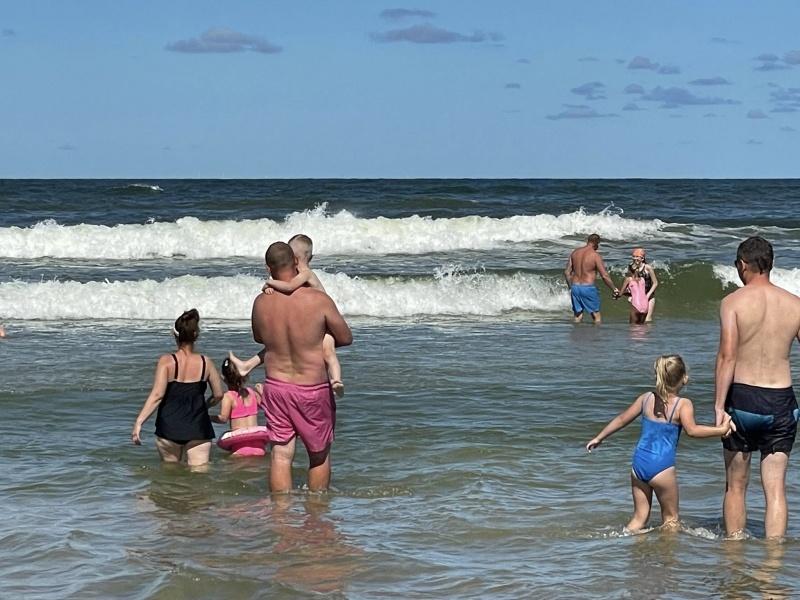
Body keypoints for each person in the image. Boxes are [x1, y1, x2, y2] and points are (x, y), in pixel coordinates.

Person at [587, 354, 734, 532]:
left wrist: (599, 437)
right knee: (671, 520)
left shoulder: (646, 398)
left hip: (639, 464)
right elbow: (693, 431)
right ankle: (667, 551)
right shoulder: (683, 404)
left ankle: (627, 544)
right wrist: (721, 429)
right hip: (662, 467)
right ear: (684, 378)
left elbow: (621, 419)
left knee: (639, 518)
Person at [715, 236, 800, 539]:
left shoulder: (732, 302)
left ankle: (734, 555)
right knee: (775, 489)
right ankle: (773, 560)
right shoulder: (795, 304)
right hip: (782, 402)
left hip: (743, 401)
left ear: (742, 265)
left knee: (735, 486)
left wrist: (718, 406)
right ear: (772, 263)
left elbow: (727, 356)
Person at [252, 241, 353, 492]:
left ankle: (281, 512)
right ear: (296, 262)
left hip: (276, 386)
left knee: (280, 454)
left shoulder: (260, 302)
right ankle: (316, 510)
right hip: (311, 388)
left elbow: (259, 337)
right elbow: (345, 337)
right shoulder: (318, 300)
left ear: (267, 268)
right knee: (318, 454)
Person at [232, 234, 345, 397]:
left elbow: (290, 286)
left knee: (328, 352)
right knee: (313, 350)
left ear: (295, 259)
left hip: (324, 325)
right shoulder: (301, 275)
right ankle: (247, 365)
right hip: (317, 324)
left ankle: (336, 379)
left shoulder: (305, 274)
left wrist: (270, 283)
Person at [132, 309, 224, 466]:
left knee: (170, 474)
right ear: (196, 335)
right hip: (198, 427)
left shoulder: (167, 361)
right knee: (200, 477)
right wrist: (204, 406)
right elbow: (218, 394)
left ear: (175, 336)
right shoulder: (205, 362)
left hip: (169, 427)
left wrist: (139, 422)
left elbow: (157, 395)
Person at [212, 357, 268, 456]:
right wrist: (263, 394)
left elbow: (223, 419)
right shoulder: (252, 393)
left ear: (223, 378)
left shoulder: (228, 397)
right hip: (259, 448)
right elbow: (269, 409)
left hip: (239, 449)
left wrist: (206, 417)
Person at [564, 233, 619, 324]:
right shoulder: (595, 256)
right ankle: (596, 332)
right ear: (597, 243)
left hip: (575, 287)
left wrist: (570, 287)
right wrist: (614, 288)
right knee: (596, 315)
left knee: (577, 315)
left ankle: (576, 331)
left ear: (587, 241)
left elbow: (567, 272)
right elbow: (604, 275)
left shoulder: (575, 252)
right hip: (588, 288)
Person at [629, 248, 658, 322]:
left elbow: (655, 283)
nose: (635, 258)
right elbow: (631, 282)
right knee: (637, 319)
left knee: (647, 320)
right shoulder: (632, 267)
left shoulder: (647, 267)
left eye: (637, 256)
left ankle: (648, 330)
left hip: (649, 296)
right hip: (638, 297)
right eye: (633, 256)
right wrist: (631, 295)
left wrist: (647, 295)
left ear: (642, 258)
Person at [619, 258, 650, 324]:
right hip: (645, 304)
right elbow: (638, 292)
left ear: (629, 270)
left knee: (633, 327)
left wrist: (617, 294)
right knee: (642, 326)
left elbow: (620, 294)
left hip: (636, 304)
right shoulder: (642, 279)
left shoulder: (628, 279)